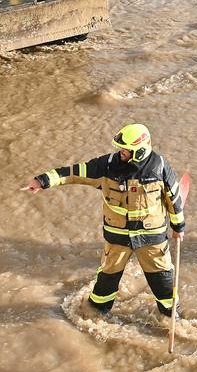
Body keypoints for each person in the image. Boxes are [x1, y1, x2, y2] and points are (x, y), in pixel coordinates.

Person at [24, 123, 185, 316]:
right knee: (106, 282)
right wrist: (42, 181)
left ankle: (171, 317)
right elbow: (74, 172)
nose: (120, 153)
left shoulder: (160, 167)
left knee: (164, 282)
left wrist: (178, 227)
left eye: (125, 150)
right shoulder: (107, 165)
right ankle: (94, 314)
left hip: (152, 239)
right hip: (117, 238)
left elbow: (174, 200)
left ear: (140, 151)